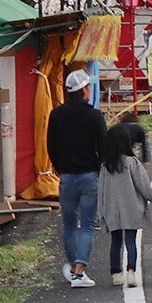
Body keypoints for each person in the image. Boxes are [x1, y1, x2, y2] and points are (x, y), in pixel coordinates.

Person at [46, 69, 106, 288]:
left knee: (69, 224)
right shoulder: (95, 116)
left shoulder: (56, 114)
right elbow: (103, 147)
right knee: (88, 225)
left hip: (67, 176)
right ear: (84, 90)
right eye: (88, 87)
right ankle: (79, 272)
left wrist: (60, 168)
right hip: (89, 175)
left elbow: (50, 146)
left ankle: (73, 268)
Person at [97, 122, 152, 286]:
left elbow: (100, 193)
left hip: (111, 210)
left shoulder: (105, 167)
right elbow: (144, 187)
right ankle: (131, 272)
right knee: (131, 241)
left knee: (116, 241)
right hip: (132, 209)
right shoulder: (132, 163)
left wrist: (101, 214)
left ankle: (115, 273)